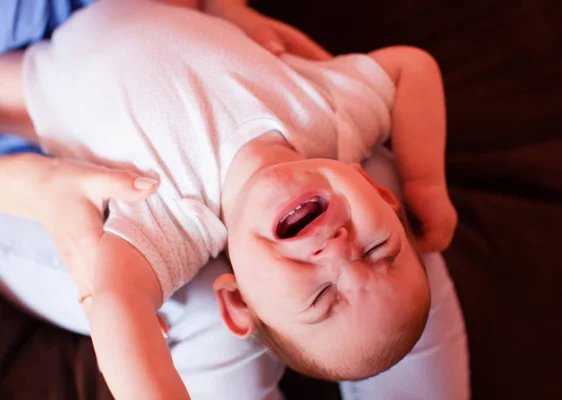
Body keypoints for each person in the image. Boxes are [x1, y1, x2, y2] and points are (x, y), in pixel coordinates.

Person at [0, 1, 467, 399]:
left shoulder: (170, 218)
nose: (340, 249)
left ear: (239, 300)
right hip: (93, 44)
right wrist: (427, 187)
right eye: (375, 249)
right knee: (394, 173)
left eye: (322, 295)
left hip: (36, 78)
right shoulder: (336, 114)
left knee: (371, 314)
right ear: (381, 198)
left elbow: (118, 303)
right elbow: (412, 69)